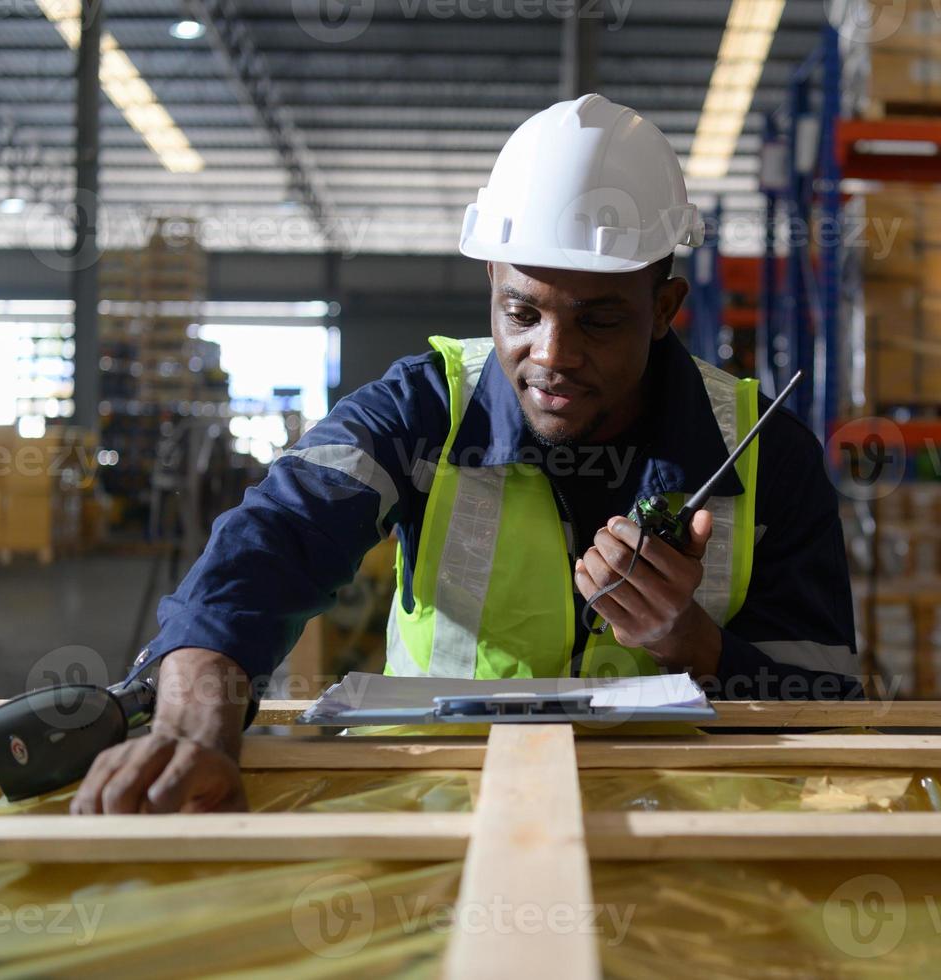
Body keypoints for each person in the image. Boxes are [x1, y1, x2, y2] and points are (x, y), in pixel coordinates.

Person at [72, 95, 859, 816]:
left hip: (673, 829)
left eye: (598, 322)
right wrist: (195, 715)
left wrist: (690, 643)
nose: (552, 356)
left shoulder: (766, 452)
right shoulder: (420, 411)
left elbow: (825, 700)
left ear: (663, 309)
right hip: (437, 808)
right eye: (521, 311)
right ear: (491, 282)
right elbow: (269, 544)